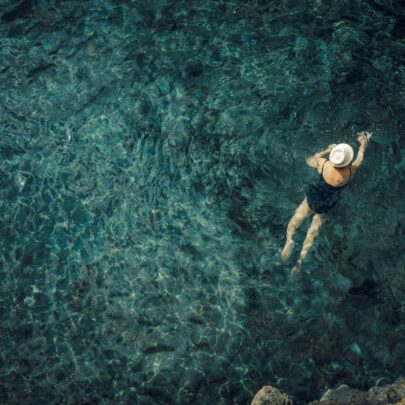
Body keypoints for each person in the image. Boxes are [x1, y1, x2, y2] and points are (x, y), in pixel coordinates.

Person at [281, 132, 371, 275]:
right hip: (327, 204)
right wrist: (362, 144)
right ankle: (300, 261)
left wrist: (327, 150)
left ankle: (289, 240)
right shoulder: (349, 171)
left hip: (313, 197)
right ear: (347, 161)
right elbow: (359, 159)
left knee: (293, 223)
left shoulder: (324, 165)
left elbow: (310, 160)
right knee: (312, 233)